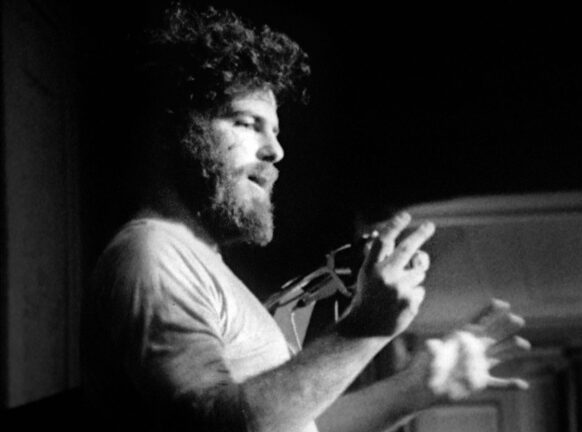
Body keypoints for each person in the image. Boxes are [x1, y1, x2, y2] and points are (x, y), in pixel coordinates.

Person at [81, 4, 531, 432]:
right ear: (176, 130)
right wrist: (362, 330)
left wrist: (415, 388)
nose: (276, 151)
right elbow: (216, 427)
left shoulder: (201, 266)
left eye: (274, 131)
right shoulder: (153, 253)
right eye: (246, 123)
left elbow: (296, 425)